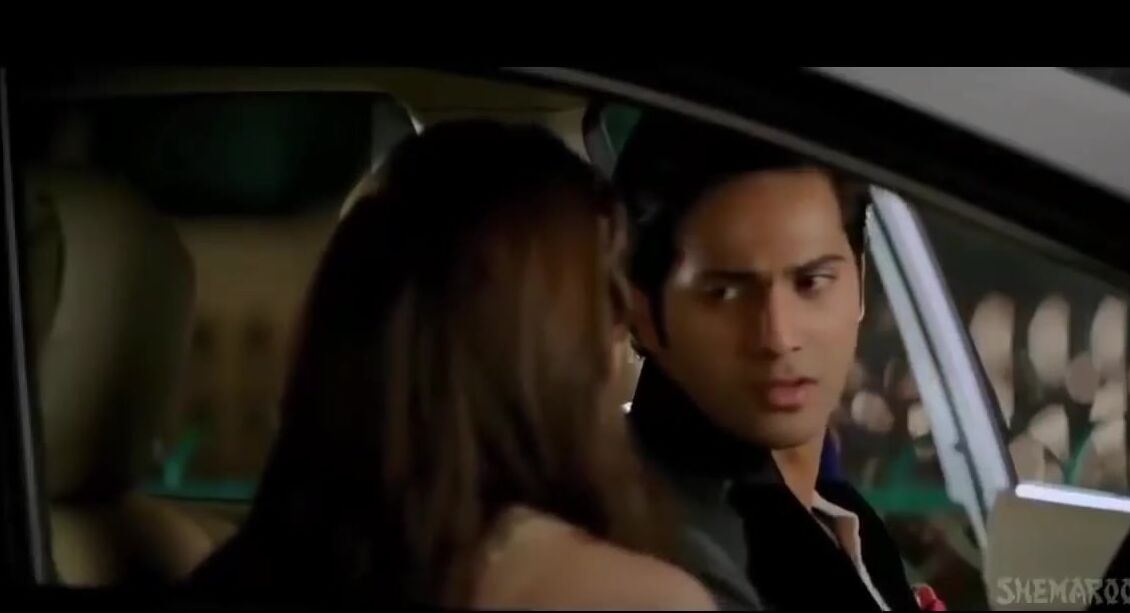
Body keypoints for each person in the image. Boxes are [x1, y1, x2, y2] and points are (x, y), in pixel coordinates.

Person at [188, 120, 715, 610]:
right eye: (606, 296)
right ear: (549, 345)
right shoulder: (635, 598)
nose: (627, 335)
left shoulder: (231, 573)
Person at [613, 110, 924, 611]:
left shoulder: (839, 515)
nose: (779, 337)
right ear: (644, 313)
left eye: (811, 282)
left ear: (860, 281)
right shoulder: (665, 560)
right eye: (725, 293)